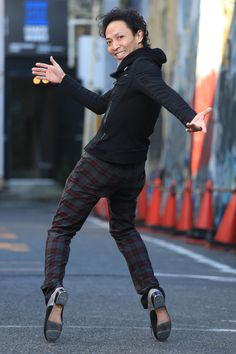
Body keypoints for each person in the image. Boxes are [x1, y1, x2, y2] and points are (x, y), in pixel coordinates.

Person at [32, 7, 211, 343]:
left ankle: (54, 294)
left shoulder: (141, 71)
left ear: (139, 35)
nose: (114, 45)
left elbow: (164, 93)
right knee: (125, 231)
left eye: (120, 37)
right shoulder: (132, 74)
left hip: (98, 164)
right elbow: (101, 105)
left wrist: (190, 116)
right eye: (109, 40)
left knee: (61, 229)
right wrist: (65, 81)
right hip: (131, 171)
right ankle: (153, 296)